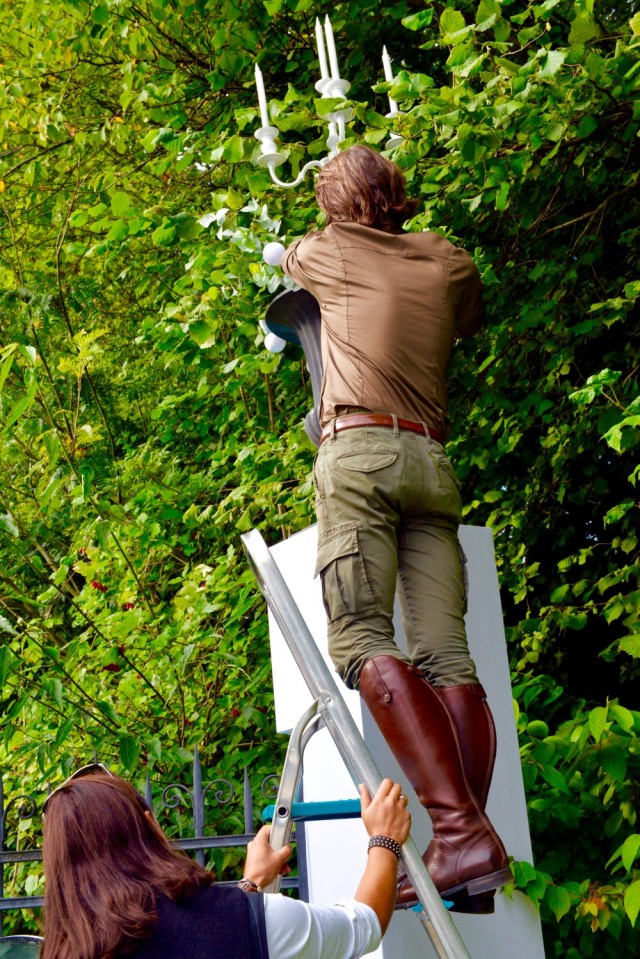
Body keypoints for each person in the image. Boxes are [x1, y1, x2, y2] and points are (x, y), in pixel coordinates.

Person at [275, 145, 511, 913]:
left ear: (336, 203)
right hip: (430, 460)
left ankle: (459, 834)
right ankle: (463, 852)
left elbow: (287, 269)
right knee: (448, 656)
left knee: (360, 639)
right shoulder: (447, 260)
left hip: (361, 455)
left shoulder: (324, 249)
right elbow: (466, 312)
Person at [40, 764, 411, 959]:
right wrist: (384, 839)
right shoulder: (257, 921)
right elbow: (364, 925)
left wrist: (248, 888)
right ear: (149, 824)